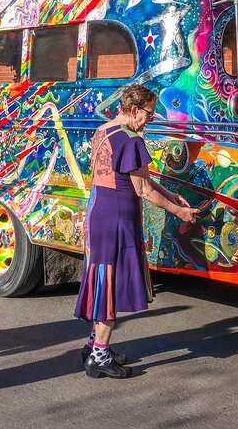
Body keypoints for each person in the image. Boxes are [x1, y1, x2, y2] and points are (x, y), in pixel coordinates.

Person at [73, 84, 199, 379]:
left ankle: (94, 347)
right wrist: (178, 211)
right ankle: (99, 357)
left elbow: (134, 177)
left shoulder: (104, 130)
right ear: (133, 110)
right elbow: (141, 189)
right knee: (110, 286)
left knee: (102, 280)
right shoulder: (132, 141)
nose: (151, 119)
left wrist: (169, 192)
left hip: (98, 212)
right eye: (149, 113)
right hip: (117, 218)